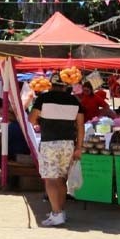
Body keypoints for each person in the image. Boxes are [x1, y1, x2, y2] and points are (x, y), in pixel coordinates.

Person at [29, 75, 84, 227]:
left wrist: (41, 121)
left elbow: (31, 119)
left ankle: (56, 213)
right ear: (65, 85)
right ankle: (60, 211)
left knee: (50, 179)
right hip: (68, 144)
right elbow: (80, 126)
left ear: (51, 85)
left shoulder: (43, 99)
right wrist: (79, 147)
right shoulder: (74, 101)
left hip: (49, 144)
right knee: (61, 179)